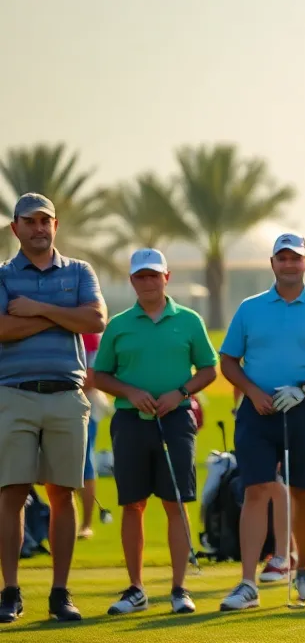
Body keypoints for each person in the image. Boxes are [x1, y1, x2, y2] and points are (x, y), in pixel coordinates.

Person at [217, 233, 305, 611]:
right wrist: (252, 392)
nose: (289, 265)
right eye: (282, 258)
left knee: (301, 491)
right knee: (255, 490)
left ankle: (304, 569)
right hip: (257, 410)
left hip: (304, 409)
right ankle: (247, 582)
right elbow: (228, 361)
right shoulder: (250, 308)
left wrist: (304, 388)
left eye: (296, 259)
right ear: (273, 264)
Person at [91, 249, 218, 614]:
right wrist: (129, 391)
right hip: (130, 421)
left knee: (175, 502)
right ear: (132, 281)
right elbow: (100, 375)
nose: (147, 282)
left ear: (167, 277)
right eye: (140, 277)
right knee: (133, 503)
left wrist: (180, 393)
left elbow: (208, 369)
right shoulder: (118, 324)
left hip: (176, 419)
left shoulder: (189, 320)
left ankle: (179, 588)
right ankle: (136, 588)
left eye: (153, 275)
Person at [0, 193, 106, 624]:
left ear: (55, 226)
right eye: (31, 222)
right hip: (13, 393)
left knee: (63, 493)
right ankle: (9, 591)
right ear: (16, 229)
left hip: (66, 393)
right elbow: (2, 329)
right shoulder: (3, 275)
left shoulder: (79, 271)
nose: (39, 228)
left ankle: (60, 593)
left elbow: (96, 319)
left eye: (46, 221)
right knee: (12, 493)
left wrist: (40, 310)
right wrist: (65, 314)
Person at [76, 330, 103, 539]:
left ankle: (85, 524)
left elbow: (91, 378)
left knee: (85, 465)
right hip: (44, 405)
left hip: (83, 407)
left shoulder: (90, 333)